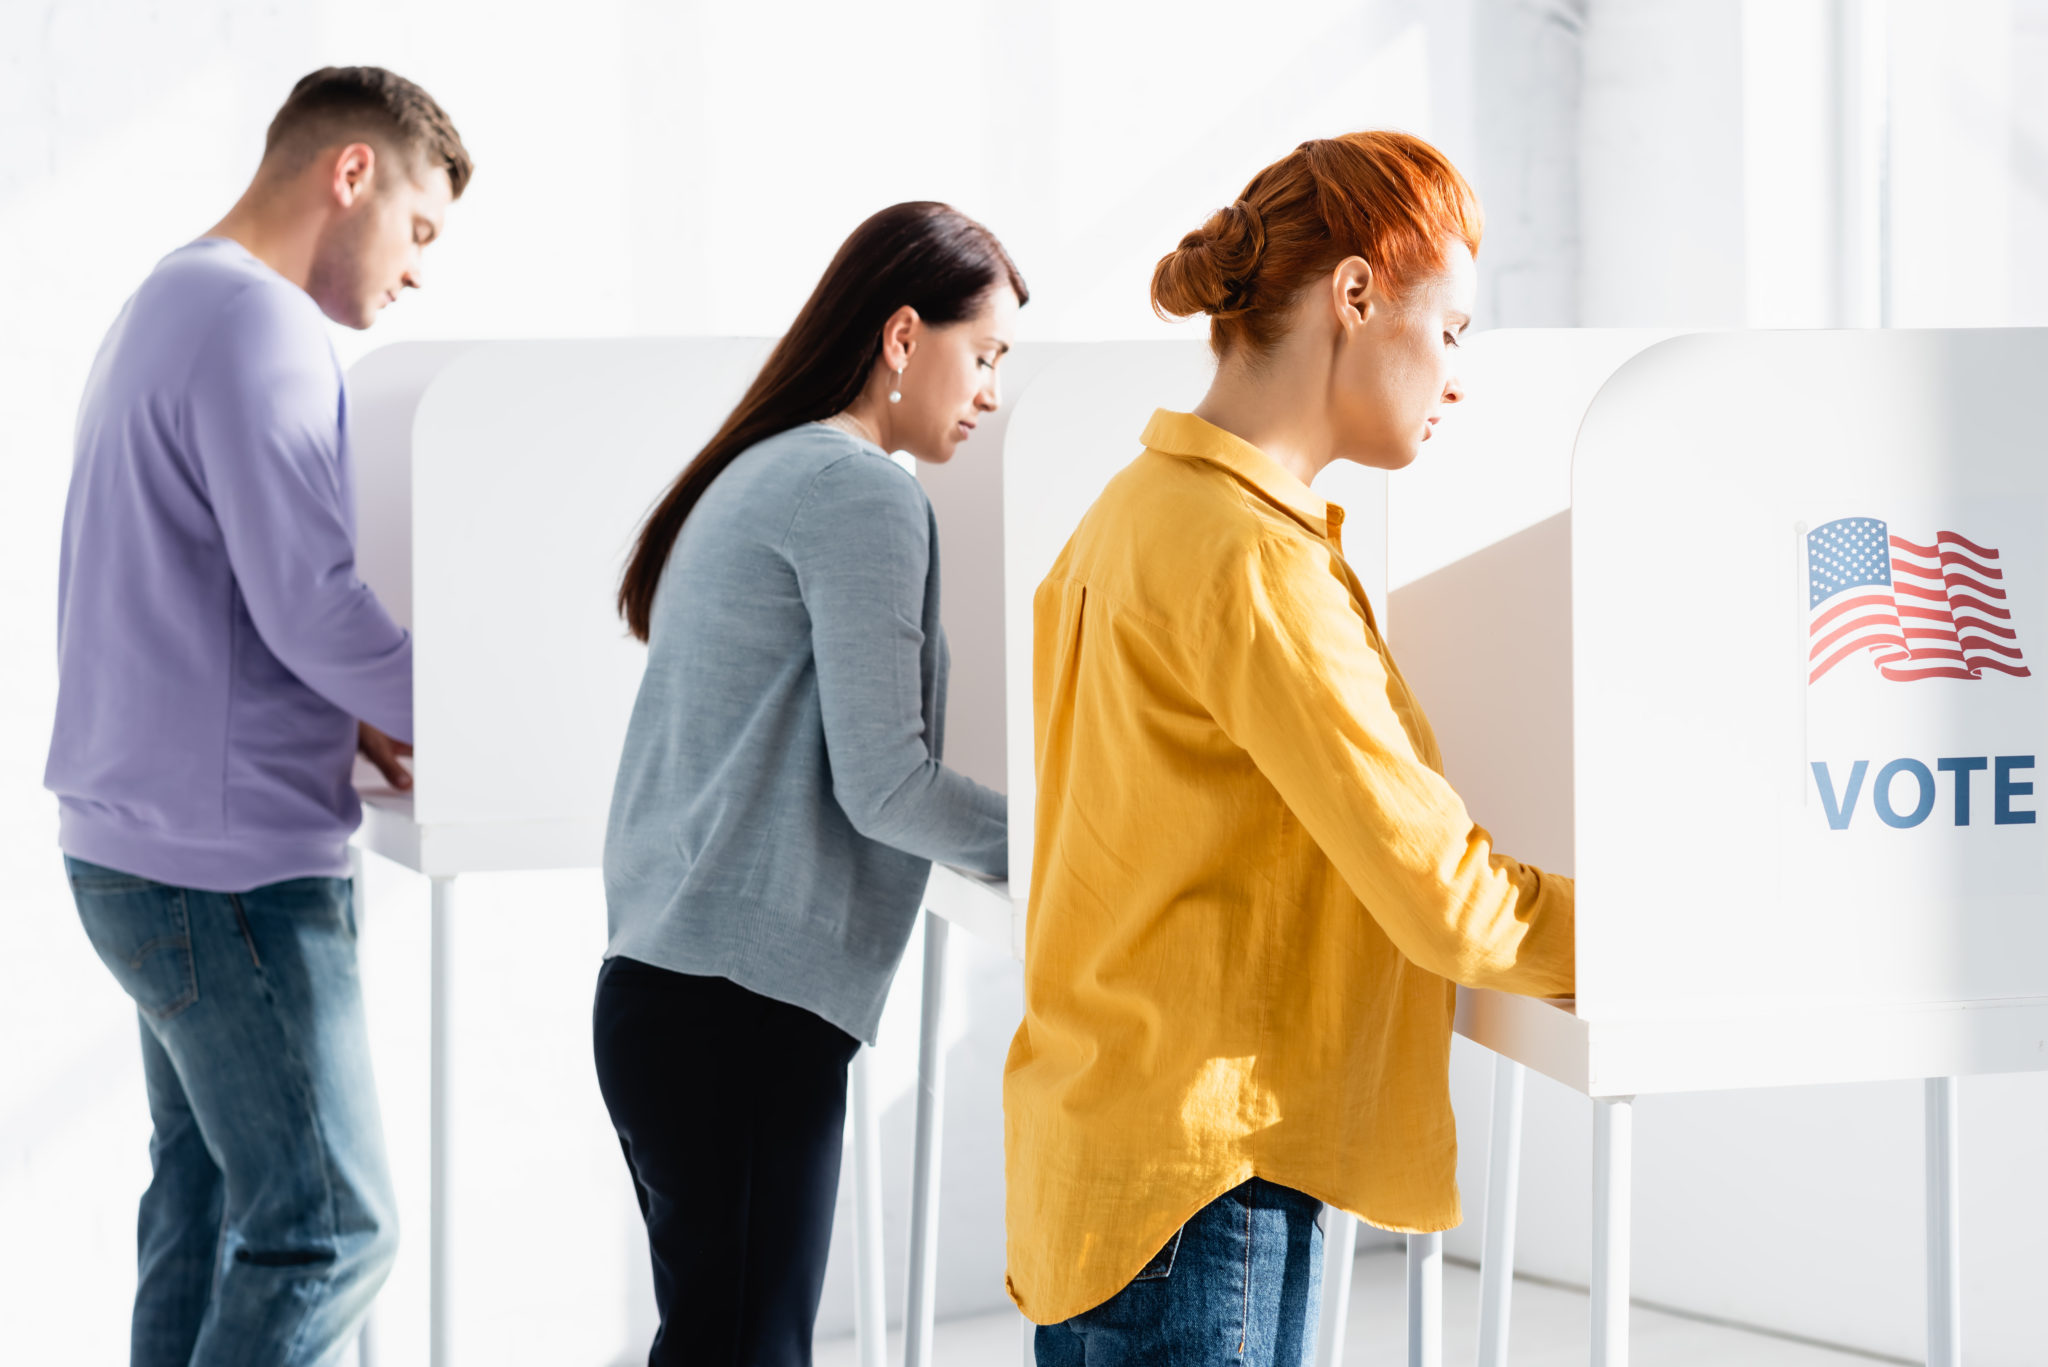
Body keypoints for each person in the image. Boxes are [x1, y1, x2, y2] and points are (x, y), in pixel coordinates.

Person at [1003, 131, 1577, 1364]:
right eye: (1454, 331)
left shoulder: (1130, 513)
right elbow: (1446, 901)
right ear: (1356, 295)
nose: (1456, 375)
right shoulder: (1252, 557)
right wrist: (1666, 938)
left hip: (1110, 1160)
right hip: (1205, 1192)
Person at [44, 67, 471, 1367]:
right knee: (333, 1225)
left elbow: (196, 593)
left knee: (210, 1200)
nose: (416, 274)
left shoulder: (166, 301)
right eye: (420, 229)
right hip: (228, 877)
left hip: (131, 848)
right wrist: (468, 717)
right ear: (352, 172)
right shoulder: (261, 326)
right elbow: (315, 603)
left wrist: (344, 717)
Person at [598, 201, 1023, 1367]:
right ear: (901, 336)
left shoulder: (760, 467)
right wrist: (1068, 835)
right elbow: (887, 785)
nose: (989, 391)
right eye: (981, 354)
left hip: (673, 995)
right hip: (735, 1015)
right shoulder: (859, 491)